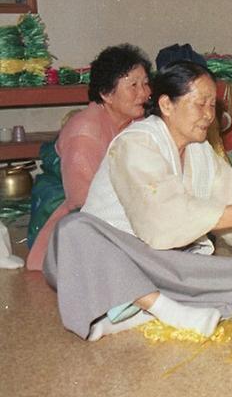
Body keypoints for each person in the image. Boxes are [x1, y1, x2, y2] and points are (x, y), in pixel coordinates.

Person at [43, 61, 232, 340]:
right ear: (166, 105)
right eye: (200, 104)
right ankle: (169, 311)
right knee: (73, 229)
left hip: (164, 263)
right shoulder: (136, 143)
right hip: (108, 261)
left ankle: (137, 313)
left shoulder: (200, 152)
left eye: (212, 105)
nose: (209, 115)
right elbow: (161, 221)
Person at [27, 44, 152, 271]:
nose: (144, 93)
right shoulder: (84, 132)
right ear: (106, 94)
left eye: (145, 83)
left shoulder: (136, 123)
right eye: (133, 85)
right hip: (82, 217)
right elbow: (82, 200)